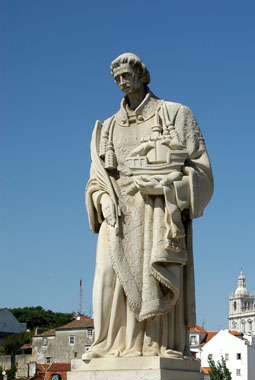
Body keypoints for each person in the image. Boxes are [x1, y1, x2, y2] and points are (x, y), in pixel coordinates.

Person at [83, 53, 213, 359]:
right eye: (116, 79)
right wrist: (102, 199)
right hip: (116, 216)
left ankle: (154, 345)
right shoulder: (109, 128)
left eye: (126, 75)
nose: (121, 82)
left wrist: (168, 187)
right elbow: (95, 180)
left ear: (143, 76)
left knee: (152, 277)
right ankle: (106, 344)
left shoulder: (175, 115)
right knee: (105, 275)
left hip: (157, 214)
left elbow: (203, 173)